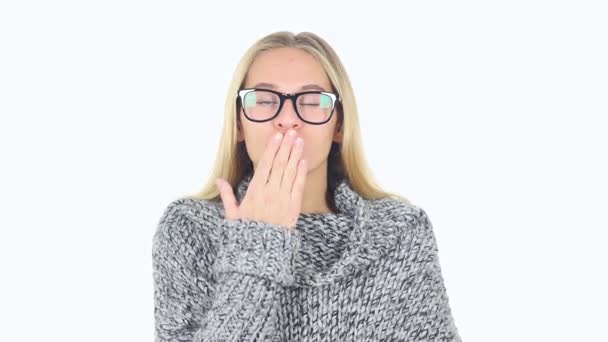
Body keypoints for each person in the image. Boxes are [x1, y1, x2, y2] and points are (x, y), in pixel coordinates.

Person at [152, 31, 462, 341]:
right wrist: (258, 244)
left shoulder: (399, 233)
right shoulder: (190, 229)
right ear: (239, 123)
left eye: (312, 101)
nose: (288, 119)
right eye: (263, 99)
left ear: (338, 123)